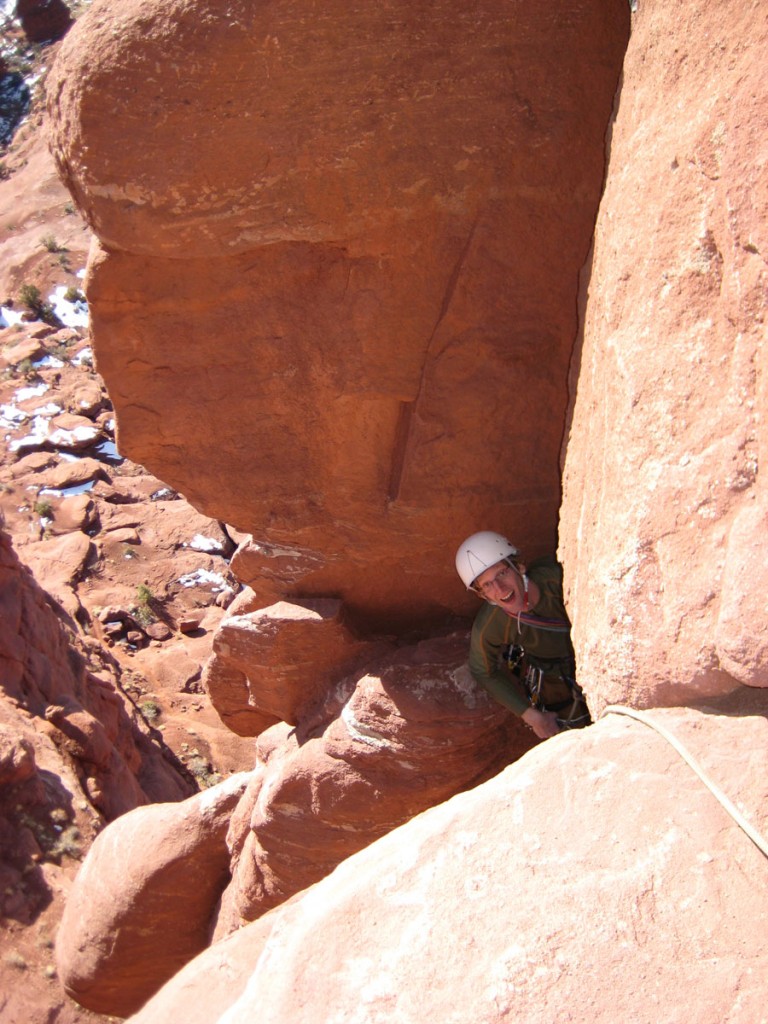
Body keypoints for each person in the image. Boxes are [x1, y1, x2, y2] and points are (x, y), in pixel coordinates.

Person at [455, 530, 590, 740]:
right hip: (555, 678)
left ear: (519, 567)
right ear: (482, 594)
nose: (500, 589)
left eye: (501, 573)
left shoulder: (559, 576)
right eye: (487, 585)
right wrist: (531, 716)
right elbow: (482, 670)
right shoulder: (491, 624)